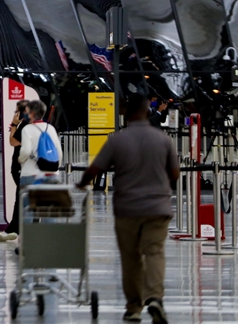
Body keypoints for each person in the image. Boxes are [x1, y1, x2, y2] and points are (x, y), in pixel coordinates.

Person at [77, 95, 179, 324]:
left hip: (128, 209)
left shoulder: (117, 140)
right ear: (147, 112)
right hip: (158, 208)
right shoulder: (163, 139)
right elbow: (175, 173)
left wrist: (81, 183)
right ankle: (155, 298)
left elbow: (95, 169)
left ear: (126, 114)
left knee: (131, 258)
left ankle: (134, 308)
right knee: (154, 252)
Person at [0, 99, 32, 242]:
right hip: (21, 167)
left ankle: (16, 229)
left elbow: (13, 141)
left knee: (21, 198)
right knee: (22, 198)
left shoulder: (25, 126)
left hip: (23, 167)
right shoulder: (27, 125)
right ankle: (15, 229)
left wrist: (14, 125)